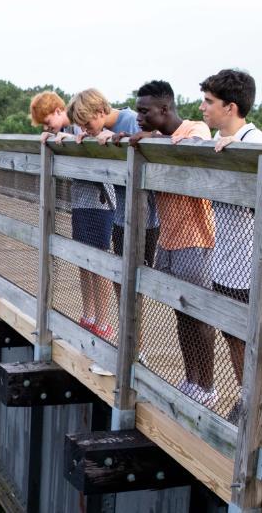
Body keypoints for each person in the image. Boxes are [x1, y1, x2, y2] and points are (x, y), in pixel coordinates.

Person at [201, 69, 262, 444]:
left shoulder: (255, 140)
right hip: (227, 260)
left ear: (230, 107)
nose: (202, 108)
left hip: (255, 265)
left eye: (209, 102)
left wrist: (237, 154)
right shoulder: (221, 138)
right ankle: (248, 400)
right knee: (235, 337)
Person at [128, 80, 218, 407]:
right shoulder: (157, 137)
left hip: (196, 238)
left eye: (144, 111)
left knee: (199, 315)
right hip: (169, 237)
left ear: (164, 110)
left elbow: (193, 144)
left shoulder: (195, 128)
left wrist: (154, 138)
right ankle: (191, 379)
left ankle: (207, 387)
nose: (138, 117)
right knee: (182, 312)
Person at [30, 90, 116, 339]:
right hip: (81, 202)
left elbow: (101, 141)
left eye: (49, 122)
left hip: (100, 203)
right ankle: (88, 314)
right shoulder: (72, 131)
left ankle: (103, 320)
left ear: (59, 111)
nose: (49, 127)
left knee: (98, 262)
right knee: (83, 259)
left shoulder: (86, 128)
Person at [70, 89, 142, 338]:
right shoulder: (94, 130)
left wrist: (117, 142)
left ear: (101, 112)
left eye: (87, 124)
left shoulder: (131, 120)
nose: (85, 129)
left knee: (127, 280)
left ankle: (128, 342)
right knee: (105, 269)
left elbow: (144, 153)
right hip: (120, 212)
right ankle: (108, 328)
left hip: (134, 213)